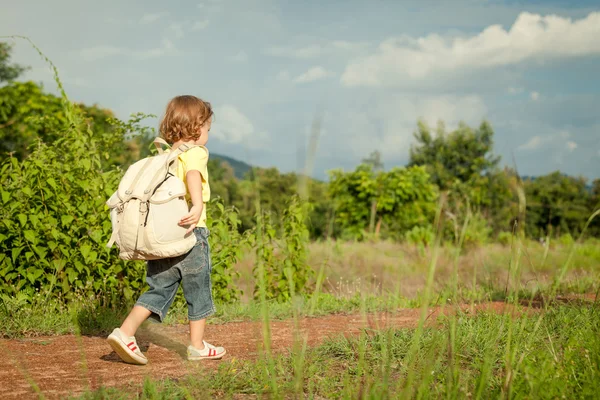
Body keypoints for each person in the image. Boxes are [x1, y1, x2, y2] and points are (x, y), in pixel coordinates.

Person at [106, 95, 225, 365]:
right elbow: (194, 174)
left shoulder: (166, 155)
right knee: (198, 290)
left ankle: (124, 333)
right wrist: (196, 205)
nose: (208, 134)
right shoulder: (196, 152)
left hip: (162, 237)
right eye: (207, 128)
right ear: (197, 128)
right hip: (192, 234)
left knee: (158, 288)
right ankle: (196, 346)